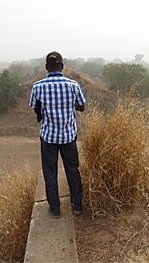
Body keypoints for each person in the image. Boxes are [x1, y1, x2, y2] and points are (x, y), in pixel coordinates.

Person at [29, 51, 87, 219]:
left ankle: (55, 208)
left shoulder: (37, 87)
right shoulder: (73, 85)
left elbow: (35, 109)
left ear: (47, 67)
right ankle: (77, 205)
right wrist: (68, 105)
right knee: (73, 170)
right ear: (62, 66)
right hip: (68, 137)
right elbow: (82, 106)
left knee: (50, 172)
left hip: (48, 137)